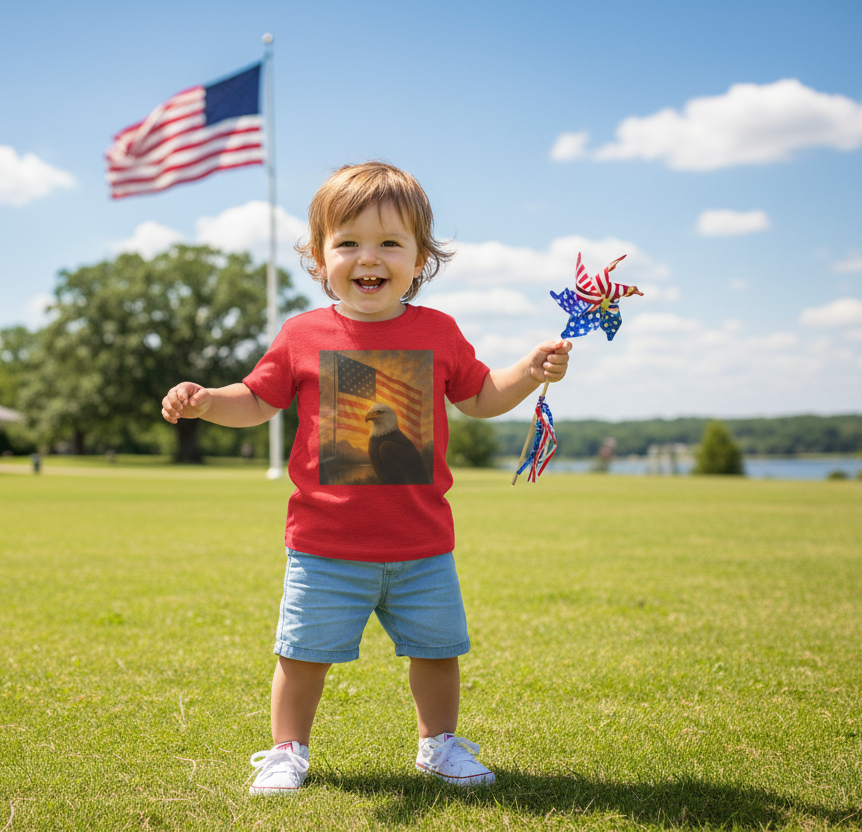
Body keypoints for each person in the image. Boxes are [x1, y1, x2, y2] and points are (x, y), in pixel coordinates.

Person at [161, 162, 571, 796]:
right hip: (325, 545)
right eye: (347, 242)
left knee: (437, 651)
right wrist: (208, 399)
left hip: (421, 542)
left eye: (389, 243)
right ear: (320, 260)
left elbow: (481, 396)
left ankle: (439, 745)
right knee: (302, 654)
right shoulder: (302, 334)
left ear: (420, 259)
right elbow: (256, 400)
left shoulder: (438, 331)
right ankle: (285, 751)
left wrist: (529, 369)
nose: (367, 257)